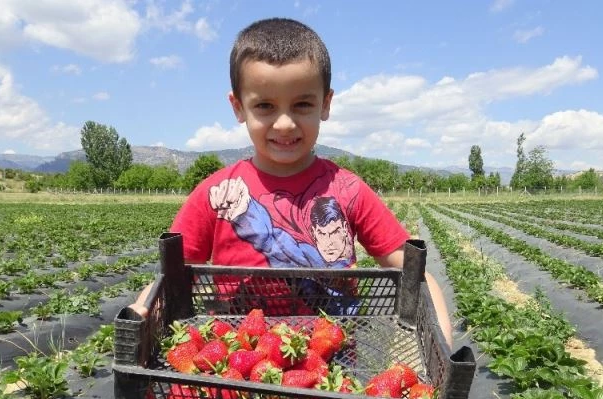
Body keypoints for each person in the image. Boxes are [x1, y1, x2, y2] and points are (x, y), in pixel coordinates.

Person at [128, 17, 453, 347]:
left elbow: (414, 272)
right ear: (238, 107)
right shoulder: (217, 194)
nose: (284, 123)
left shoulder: (349, 190)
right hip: (235, 362)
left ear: (325, 104)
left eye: (302, 104)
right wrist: (143, 312)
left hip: (331, 365)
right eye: (265, 106)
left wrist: (439, 344)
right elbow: (171, 280)